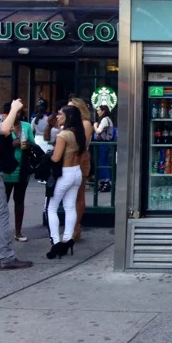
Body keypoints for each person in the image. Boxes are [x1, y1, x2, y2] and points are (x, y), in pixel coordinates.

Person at [0, 99, 33, 269]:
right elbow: (4, 129)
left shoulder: (24, 125)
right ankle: (5, 256)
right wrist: (14, 107)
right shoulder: (8, 118)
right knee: (0, 214)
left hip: (12, 170)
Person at [46, 106, 86, 259]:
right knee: (70, 207)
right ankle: (68, 239)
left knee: (52, 208)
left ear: (68, 117)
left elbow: (56, 158)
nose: (57, 116)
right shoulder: (79, 133)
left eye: (60, 114)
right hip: (76, 172)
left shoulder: (63, 135)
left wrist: (46, 157)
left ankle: (56, 242)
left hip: (64, 173)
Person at [2, 102, 35, 242]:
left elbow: (33, 144)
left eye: (20, 112)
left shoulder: (26, 126)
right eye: (16, 111)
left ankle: (18, 232)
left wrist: (27, 144)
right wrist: (11, 144)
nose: (18, 114)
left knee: (19, 201)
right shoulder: (3, 125)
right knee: (3, 202)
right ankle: (1, 234)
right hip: (7, 169)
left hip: (22, 168)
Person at [68, 99, 94, 241]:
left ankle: (76, 227)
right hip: (67, 159)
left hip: (80, 158)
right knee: (68, 195)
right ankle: (71, 226)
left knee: (79, 194)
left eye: (71, 107)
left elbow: (81, 144)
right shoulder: (68, 124)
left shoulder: (85, 124)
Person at [93, 105, 114, 192]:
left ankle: (106, 181)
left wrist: (95, 126)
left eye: (99, 110)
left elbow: (98, 131)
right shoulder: (108, 119)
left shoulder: (105, 120)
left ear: (103, 111)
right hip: (105, 143)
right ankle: (103, 181)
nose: (97, 112)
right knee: (103, 162)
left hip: (103, 143)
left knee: (102, 162)